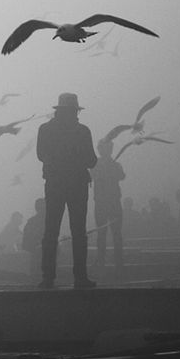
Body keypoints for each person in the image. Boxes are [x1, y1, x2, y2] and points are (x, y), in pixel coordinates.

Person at [35, 93, 97, 289]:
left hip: (55, 185)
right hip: (76, 186)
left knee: (51, 231)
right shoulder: (82, 131)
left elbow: (41, 155)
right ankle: (80, 277)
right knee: (78, 233)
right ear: (73, 111)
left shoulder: (45, 130)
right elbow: (91, 160)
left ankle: (48, 277)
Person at [92, 136, 125, 272]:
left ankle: (106, 262)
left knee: (107, 234)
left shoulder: (98, 165)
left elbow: (121, 176)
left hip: (105, 203)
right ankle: (114, 262)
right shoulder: (113, 164)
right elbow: (121, 176)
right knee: (112, 234)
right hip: (109, 203)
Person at [21, 197, 45, 275]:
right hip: (39, 254)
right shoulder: (45, 221)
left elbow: (25, 243)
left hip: (35, 254)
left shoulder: (31, 222)